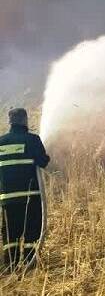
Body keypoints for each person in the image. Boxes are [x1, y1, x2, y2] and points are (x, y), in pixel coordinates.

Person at [0, 108, 49, 270]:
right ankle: (29, 263)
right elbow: (43, 162)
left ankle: (10, 266)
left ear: (10, 122)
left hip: (7, 199)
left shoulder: (1, 142)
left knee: (11, 234)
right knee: (31, 231)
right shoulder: (33, 140)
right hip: (30, 198)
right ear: (25, 120)